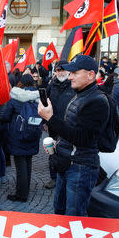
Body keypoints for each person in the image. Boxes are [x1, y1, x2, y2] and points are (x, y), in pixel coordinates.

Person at [38, 55, 109, 216]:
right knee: (60, 211)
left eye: (74, 73)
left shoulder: (97, 100)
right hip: (67, 162)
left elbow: (83, 138)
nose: (69, 76)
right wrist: (60, 143)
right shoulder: (81, 93)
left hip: (80, 167)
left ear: (90, 75)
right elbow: (73, 127)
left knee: (74, 217)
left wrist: (50, 118)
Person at [1, 74, 41, 202]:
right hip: (33, 133)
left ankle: (21, 194)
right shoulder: (39, 97)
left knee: (20, 166)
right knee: (28, 162)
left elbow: (6, 116)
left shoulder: (15, 97)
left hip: (17, 135)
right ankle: (26, 189)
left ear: (21, 83)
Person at [44, 60, 75, 189]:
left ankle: (66, 176)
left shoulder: (74, 85)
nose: (60, 72)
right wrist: (46, 121)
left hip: (68, 125)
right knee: (52, 150)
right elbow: (46, 103)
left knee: (67, 151)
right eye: (58, 70)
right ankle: (53, 177)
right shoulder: (52, 85)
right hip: (53, 124)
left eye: (63, 70)